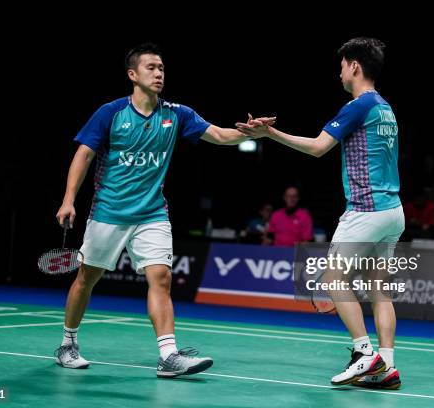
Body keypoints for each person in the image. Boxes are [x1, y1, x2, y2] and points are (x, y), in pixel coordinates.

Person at [55, 43, 274, 378]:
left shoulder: (176, 114)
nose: (159, 74)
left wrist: (252, 132)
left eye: (162, 69)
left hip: (152, 213)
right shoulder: (111, 113)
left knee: (161, 278)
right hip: (109, 211)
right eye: (151, 68)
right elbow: (83, 154)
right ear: (133, 74)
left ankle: (168, 356)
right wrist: (69, 199)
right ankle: (68, 343)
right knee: (87, 278)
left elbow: (217, 134)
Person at [237, 37, 403, 389]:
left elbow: (317, 148)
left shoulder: (359, 105)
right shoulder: (386, 108)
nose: (339, 72)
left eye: (342, 65)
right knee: (379, 289)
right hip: (393, 210)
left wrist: (269, 133)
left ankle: (364, 355)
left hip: (366, 211)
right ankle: (386, 365)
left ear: (354, 66)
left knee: (333, 281)